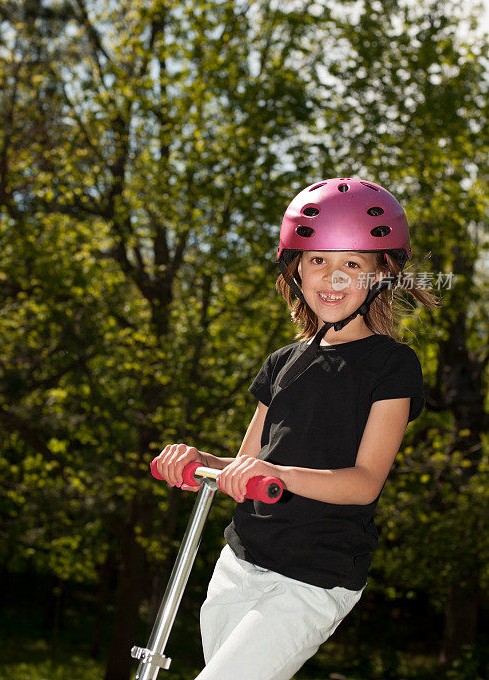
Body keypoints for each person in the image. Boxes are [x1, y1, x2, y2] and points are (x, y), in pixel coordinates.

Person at [154, 177, 440, 680]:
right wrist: (200, 461)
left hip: (313, 578)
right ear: (296, 270)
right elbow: (245, 467)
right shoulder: (282, 363)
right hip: (241, 561)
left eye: (352, 263)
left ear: (381, 275)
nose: (332, 277)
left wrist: (278, 475)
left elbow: (363, 482)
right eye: (317, 260)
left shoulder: (391, 366)